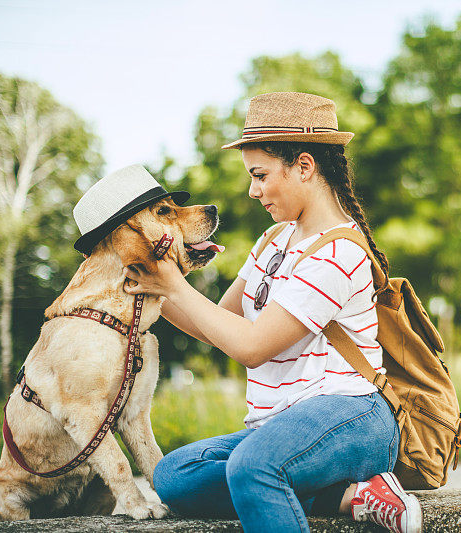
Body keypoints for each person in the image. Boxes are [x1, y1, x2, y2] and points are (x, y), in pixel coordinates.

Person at [121, 92, 422, 533]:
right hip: (282, 429)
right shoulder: (274, 240)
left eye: (260, 175)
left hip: (353, 419)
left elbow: (252, 347)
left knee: (252, 468)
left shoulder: (338, 252)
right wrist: (150, 281)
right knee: (173, 476)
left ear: (304, 166)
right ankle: (357, 496)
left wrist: (172, 284)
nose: (253, 190)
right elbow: (218, 322)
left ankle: (323, 481)